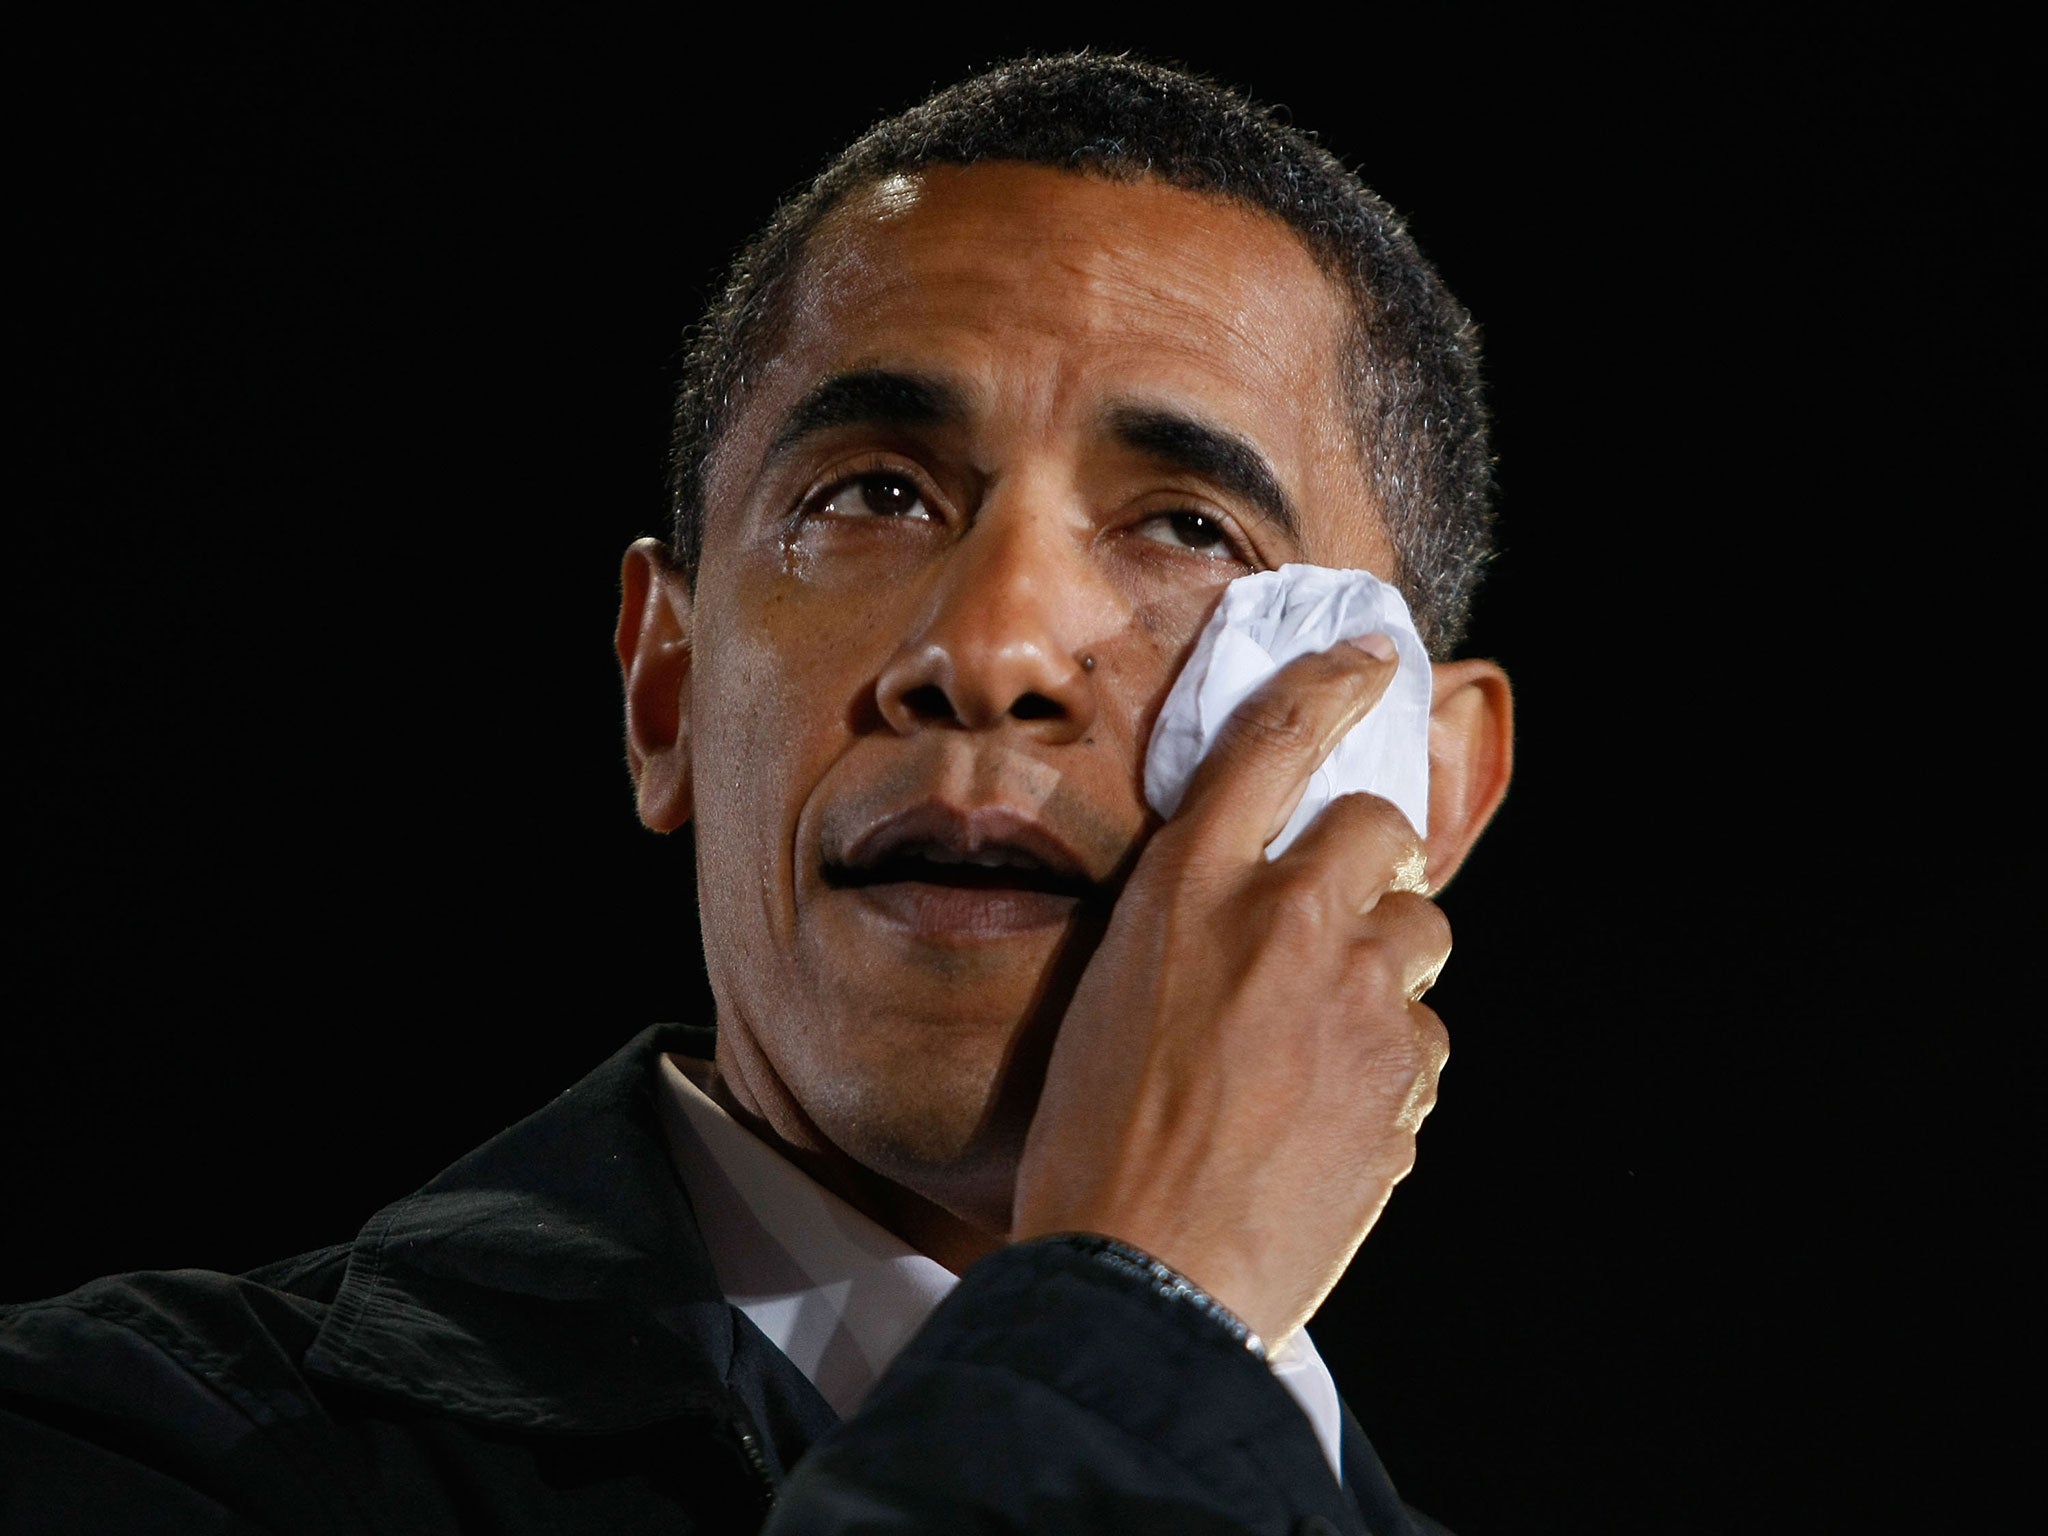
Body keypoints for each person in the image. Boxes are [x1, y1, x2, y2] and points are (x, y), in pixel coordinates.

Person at [0, 54, 1513, 1535]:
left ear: (1426, 792)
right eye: (871, 496)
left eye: (1187, 527)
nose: (985, 652)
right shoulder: (106, 1448)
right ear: (662, 694)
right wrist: (1141, 1303)